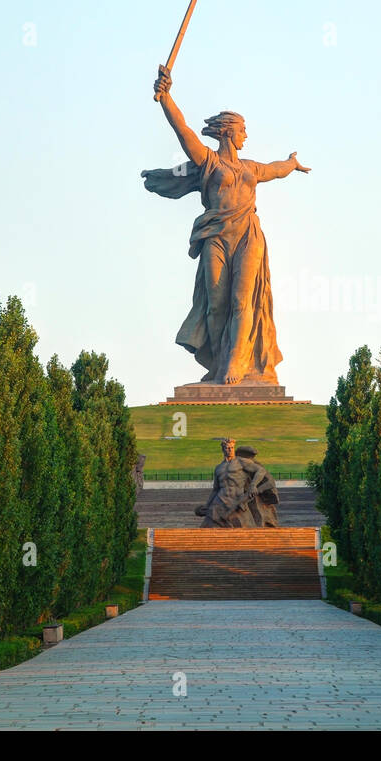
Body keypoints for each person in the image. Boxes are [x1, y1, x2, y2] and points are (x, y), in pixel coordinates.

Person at [141, 67, 310, 385]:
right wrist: (166, 97)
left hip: (247, 234)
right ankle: (220, 364)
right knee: (216, 306)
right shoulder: (208, 161)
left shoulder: (251, 168)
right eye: (243, 130)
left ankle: (236, 363)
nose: (247, 136)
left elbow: (276, 169)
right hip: (216, 236)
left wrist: (292, 162)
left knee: (241, 300)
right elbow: (184, 131)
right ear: (230, 132)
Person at [196, 438, 281, 528]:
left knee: (247, 530)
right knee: (207, 528)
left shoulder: (241, 462)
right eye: (228, 448)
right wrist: (207, 505)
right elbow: (215, 489)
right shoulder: (219, 468)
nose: (230, 450)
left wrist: (253, 485)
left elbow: (261, 470)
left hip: (237, 501)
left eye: (232, 448)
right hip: (219, 502)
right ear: (223, 449)